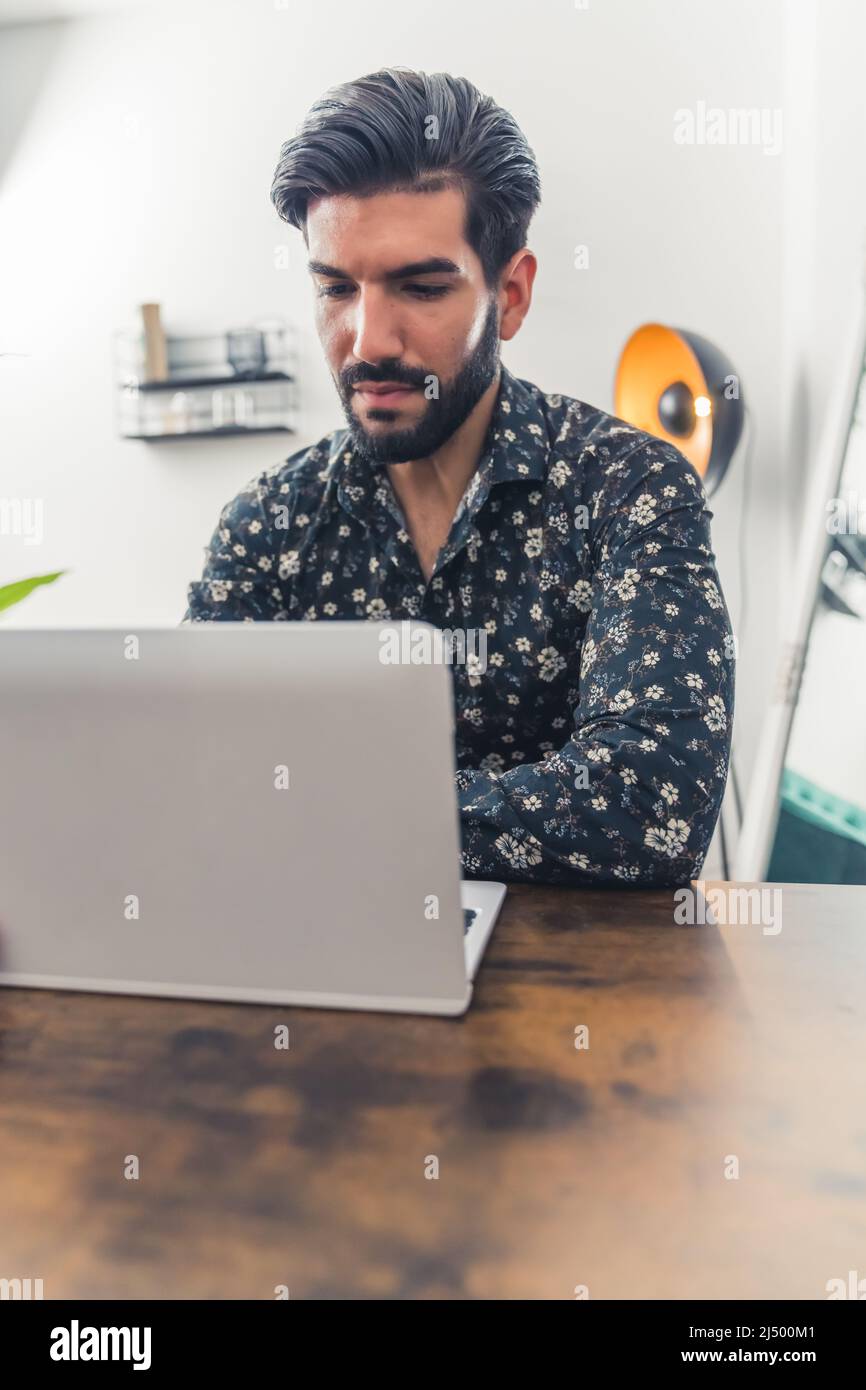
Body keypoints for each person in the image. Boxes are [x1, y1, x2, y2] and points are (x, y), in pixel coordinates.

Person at [185, 67, 734, 886]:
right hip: (325, 972)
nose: (368, 340)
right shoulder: (268, 527)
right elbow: (194, 788)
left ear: (509, 296)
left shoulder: (630, 489)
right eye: (336, 288)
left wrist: (332, 819)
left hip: (579, 991)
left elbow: (654, 809)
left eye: (421, 286)